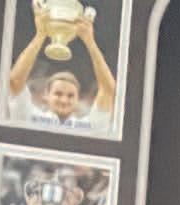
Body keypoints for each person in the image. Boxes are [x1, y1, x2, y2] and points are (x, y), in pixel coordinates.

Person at [6, 4, 117, 133]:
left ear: (78, 100)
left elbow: (109, 90)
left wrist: (90, 41)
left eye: (70, 96)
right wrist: (40, 35)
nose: (64, 100)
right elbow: (15, 81)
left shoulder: (88, 127)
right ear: (46, 95)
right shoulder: (29, 117)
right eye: (58, 94)